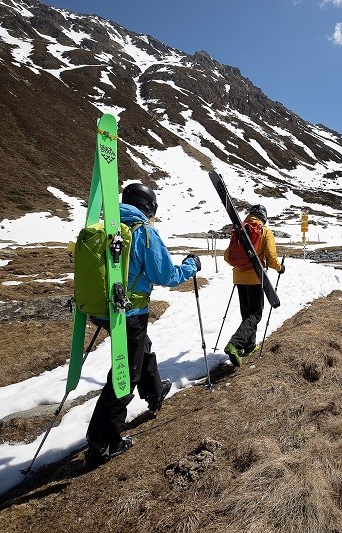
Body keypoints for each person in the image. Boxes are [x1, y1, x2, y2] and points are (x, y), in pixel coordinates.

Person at [84, 182, 201, 468]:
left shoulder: (106, 228)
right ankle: (102, 443)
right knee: (126, 374)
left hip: (103, 310)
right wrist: (190, 266)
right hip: (130, 312)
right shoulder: (142, 232)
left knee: (141, 350)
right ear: (148, 208)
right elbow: (166, 275)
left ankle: (154, 393)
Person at [223, 204, 284, 367]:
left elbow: (227, 256)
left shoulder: (239, 230)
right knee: (256, 315)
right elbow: (271, 258)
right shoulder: (265, 231)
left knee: (247, 314)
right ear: (264, 217)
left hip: (239, 277)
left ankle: (249, 346)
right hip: (256, 278)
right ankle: (235, 344)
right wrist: (280, 268)